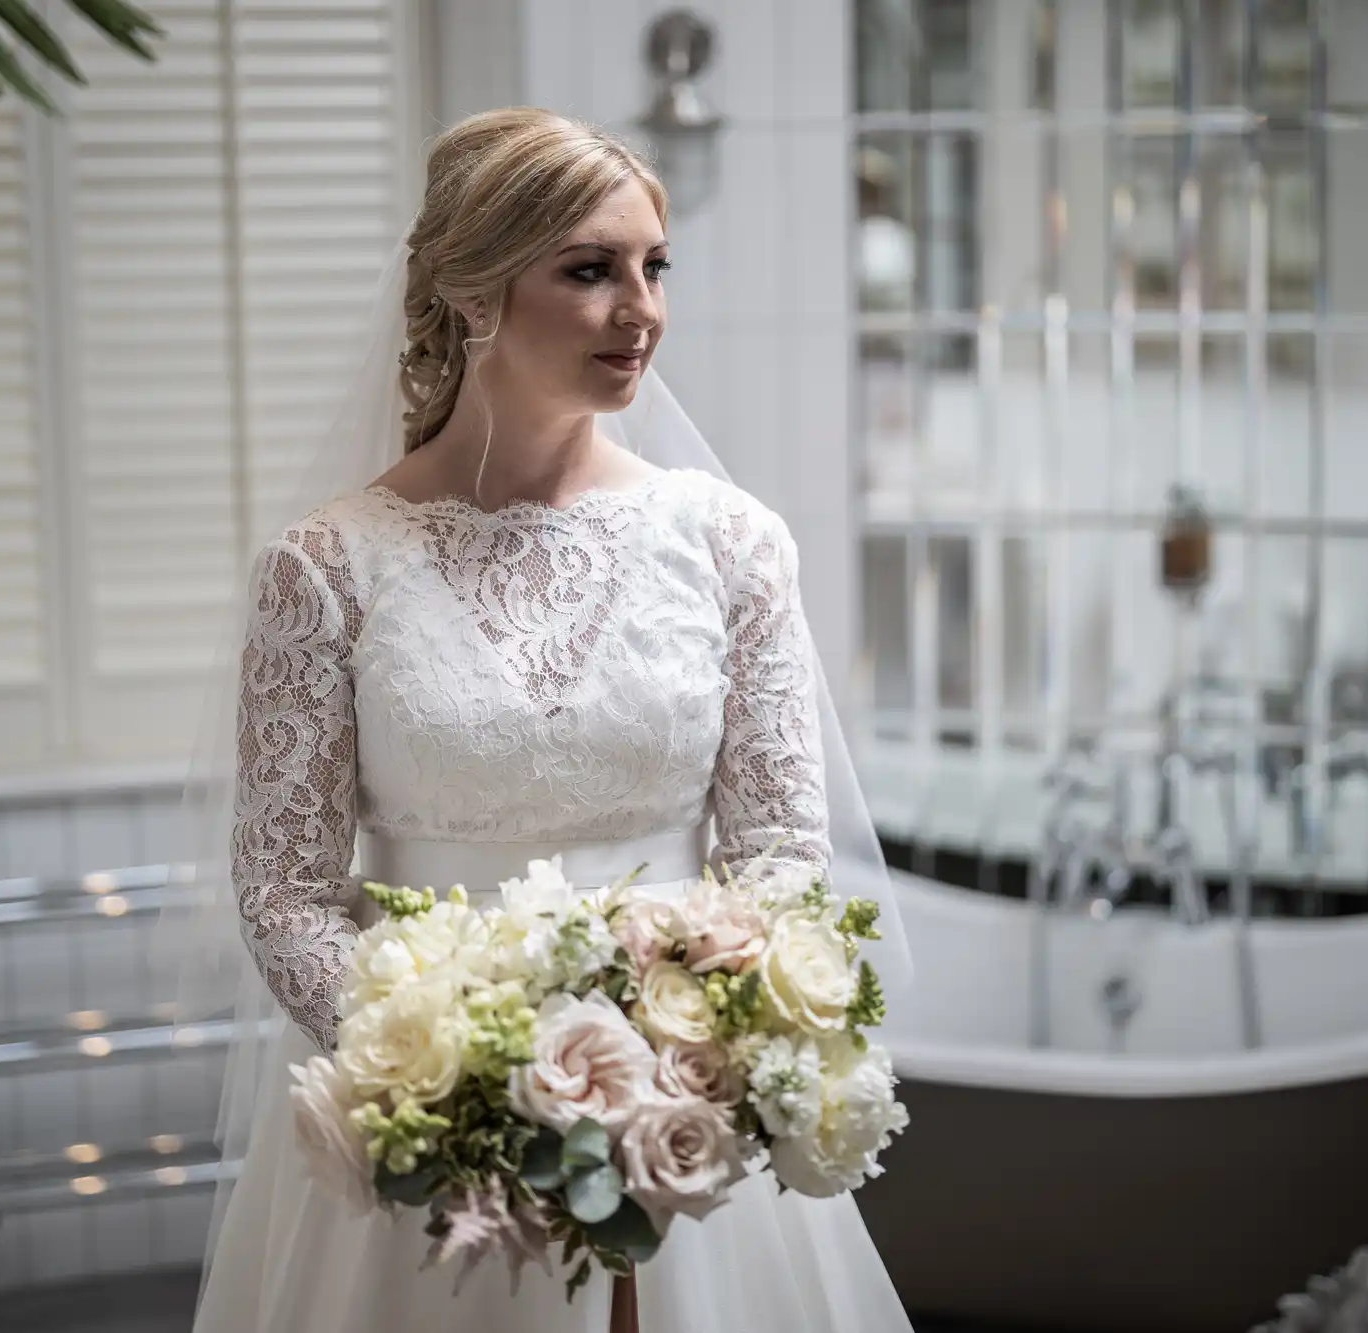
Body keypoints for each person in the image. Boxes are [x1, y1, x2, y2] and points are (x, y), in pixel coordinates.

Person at [181, 107, 915, 1333]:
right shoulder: (325, 568)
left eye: (652, 267)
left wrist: (694, 1056)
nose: (641, 309)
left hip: (685, 1110)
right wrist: (460, 1079)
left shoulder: (729, 544)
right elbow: (285, 890)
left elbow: (784, 851)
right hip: (427, 1139)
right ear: (473, 293)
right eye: (590, 270)